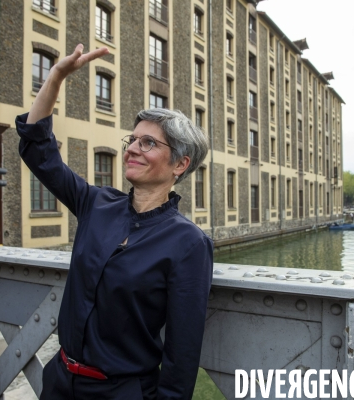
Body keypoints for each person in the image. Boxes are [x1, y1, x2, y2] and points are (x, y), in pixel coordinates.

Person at [16, 44, 214, 399]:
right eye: (132, 139)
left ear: (180, 165)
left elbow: (181, 354)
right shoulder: (97, 203)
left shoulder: (188, 243)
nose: (133, 148)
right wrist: (56, 77)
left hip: (121, 391)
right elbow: (38, 151)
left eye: (149, 143)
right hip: (60, 382)